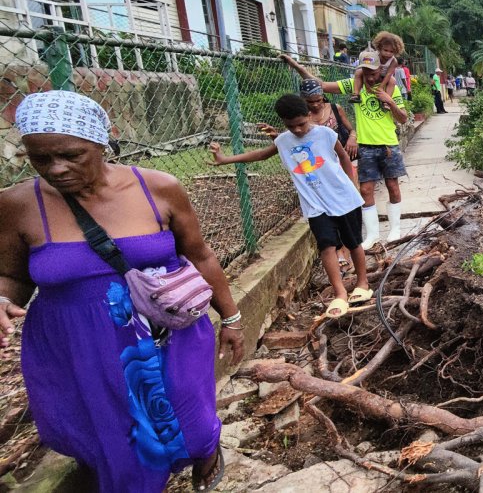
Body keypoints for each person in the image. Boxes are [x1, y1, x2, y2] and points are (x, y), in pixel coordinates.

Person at [0, 91, 243, 492]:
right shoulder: (18, 204)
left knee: (194, 423)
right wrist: (5, 299)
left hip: (169, 332)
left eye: (71, 155)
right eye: (40, 158)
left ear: (102, 141)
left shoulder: (160, 188)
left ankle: (207, 452)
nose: (56, 169)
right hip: (80, 345)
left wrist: (231, 317)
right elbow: (11, 273)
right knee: (120, 441)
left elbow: (200, 256)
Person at [210, 94, 370, 318]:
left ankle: (363, 283)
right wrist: (225, 159)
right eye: (290, 126)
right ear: (283, 123)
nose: (297, 130)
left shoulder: (325, 133)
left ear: (308, 115)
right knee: (326, 246)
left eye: (301, 124)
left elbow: (343, 157)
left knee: (353, 242)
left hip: (343, 198)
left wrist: (352, 185)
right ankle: (340, 293)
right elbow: (260, 155)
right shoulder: (283, 141)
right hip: (315, 205)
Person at [281, 49, 409, 250]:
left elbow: (403, 118)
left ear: (380, 71)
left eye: (373, 73)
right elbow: (319, 85)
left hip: (388, 145)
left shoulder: (391, 88)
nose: (370, 77)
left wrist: (389, 100)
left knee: (393, 186)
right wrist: (297, 66)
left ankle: (395, 229)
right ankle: (373, 235)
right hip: (366, 146)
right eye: (365, 72)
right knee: (365, 189)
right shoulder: (354, 86)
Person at [260, 80, 356, 267]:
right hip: (316, 180)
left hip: (337, 173)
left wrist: (350, 181)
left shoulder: (333, 112)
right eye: (310, 101)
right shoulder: (299, 122)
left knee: (346, 222)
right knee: (327, 228)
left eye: (318, 100)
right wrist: (277, 136)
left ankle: (346, 253)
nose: (315, 104)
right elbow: (296, 140)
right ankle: (339, 257)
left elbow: (343, 146)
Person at [348, 33, 401, 104]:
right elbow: (365, 69)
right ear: (379, 48)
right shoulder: (374, 56)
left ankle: (387, 101)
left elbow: (389, 74)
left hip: (384, 77)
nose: (388, 53)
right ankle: (356, 94)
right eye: (385, 50)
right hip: (371, 74)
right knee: (358, 72)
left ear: (396, 51)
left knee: (393, 81)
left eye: (391, 51)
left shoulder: (394, 61)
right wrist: (366, 84)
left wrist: (381, 87)